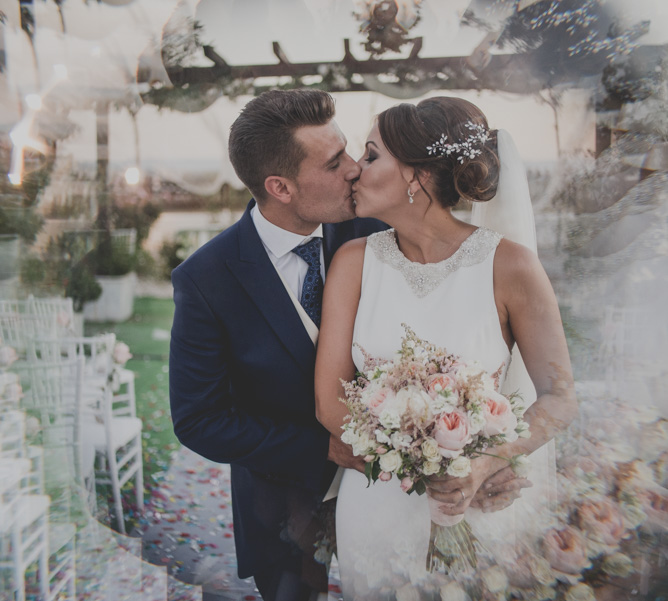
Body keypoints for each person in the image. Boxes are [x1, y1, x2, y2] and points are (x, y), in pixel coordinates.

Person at [314, 97, 578, 597]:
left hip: (477, 505)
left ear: (414, 175)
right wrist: (421, 459)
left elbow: (561, 397)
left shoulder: (511, 266)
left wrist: (485, 462)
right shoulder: (353, 262)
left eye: (370, 155)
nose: (354, 171)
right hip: (377, 505)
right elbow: (330, 403)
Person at [169, 88, 387, 601]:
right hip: (281, 504)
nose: (355, 169)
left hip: (390, 493)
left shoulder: (379, 234)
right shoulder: (207, 278)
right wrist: (323, 448)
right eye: (335, 163)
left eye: (350, 151)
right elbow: (198, 419)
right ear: (280, 187)